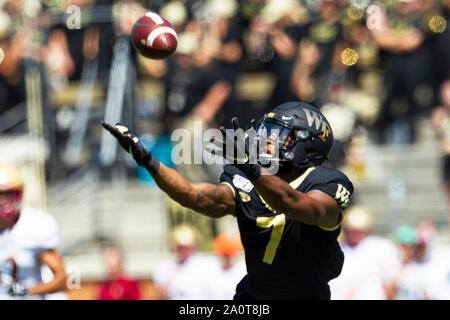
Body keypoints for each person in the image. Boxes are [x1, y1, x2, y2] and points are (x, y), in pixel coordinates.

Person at [102, 101, 354, 300]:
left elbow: (293, 203)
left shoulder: (327, 182)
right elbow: (195, 196)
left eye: (280, 133)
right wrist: (149, 162)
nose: (267, 138)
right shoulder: (245, 176)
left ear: (307, 145)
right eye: (268, 130)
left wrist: (251, 168)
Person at [0, 165, 67, 299]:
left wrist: (25, 290)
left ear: (18, 194)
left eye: (6, 194)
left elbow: (61, 280)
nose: (2, 201)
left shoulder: (33, 226)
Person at [329, 206, 401, 300]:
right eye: (351, 230)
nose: (354, 234)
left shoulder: (380, 248)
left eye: (358, 231)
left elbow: (390, 283)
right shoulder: (340, 249)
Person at [152, 224, 217, 300]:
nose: (183, 251)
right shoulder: (165, 267)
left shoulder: (208, 264)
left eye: (187, 247)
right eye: (180, 247)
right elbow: (159, 294)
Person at [205, 233, 246, 300]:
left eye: (230, 255)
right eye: (225, 255)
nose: (228, 258)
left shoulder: (244, 272)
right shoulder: (210, 272)